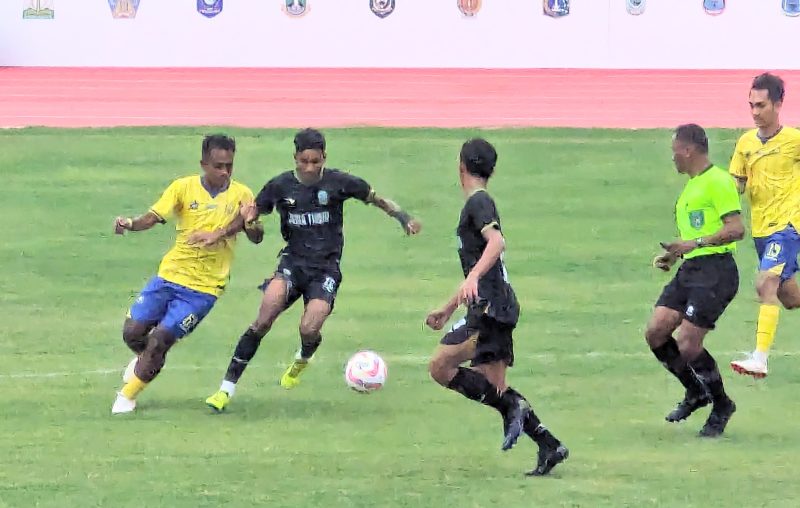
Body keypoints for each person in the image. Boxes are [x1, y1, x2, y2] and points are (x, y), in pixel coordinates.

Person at [200, 128, 421, 411]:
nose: (309, 167)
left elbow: (375, 198)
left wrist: (403, 217)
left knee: (309, 327)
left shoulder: (339, 182)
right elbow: (251, 214)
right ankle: (225, 390)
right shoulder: (280, 186)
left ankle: (305, 354)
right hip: (292, 263)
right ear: (295, 158)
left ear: (324, 157)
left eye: (315, 161)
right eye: (304, 161)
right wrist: (225, 231)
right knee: (263, 318)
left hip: (326, 269)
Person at [425, 138, 568, 476]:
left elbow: (496, 243)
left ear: (460, 165)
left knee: (441, 367)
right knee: (495, 388)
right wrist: (447, 309)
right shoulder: (477, 202)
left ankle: (514, 409)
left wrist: (472, 278)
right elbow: (479, 268)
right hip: (494, 305)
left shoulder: (479, 202)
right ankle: (549, 445)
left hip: (491, 308)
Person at [110, 134, 261, 414]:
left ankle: (127, 395)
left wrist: (250, 222)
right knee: (133, 333)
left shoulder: (242, 194)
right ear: (203, 163)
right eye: (218, 165)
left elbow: (256, 236)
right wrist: (130, 223)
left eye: (229, 165)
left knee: (160, 340)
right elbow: (152, 217)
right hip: (169, 275)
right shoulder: (183, 187)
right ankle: (148, 361)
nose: (225, 172)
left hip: (204, 289)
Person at [646, 124, 743, 437]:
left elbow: (736, 228)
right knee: (656, 331)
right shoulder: (691, 187)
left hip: (716, 270)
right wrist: (675, 255)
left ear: (687, 150)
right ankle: (695, 391)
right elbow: (694, 237)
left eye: (675, 150)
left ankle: (721, 403)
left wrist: (694, 245)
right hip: (691, 270)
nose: (672, 157)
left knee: (688, 343)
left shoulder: (719, 181)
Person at [728, 73, 800, 378]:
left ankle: (760, 358)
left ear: (779, 104)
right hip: (762, 231)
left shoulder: (794, 141)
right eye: (751, 105)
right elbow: (737, 184)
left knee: (764, 284)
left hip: (787, 225)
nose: (755, 112)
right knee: (789, 297)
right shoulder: (745, 143)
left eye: (761, 105)